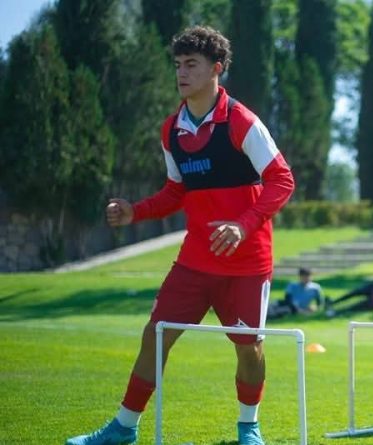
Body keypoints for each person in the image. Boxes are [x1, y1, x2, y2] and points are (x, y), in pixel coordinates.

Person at [66, 26, 294, 445]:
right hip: (194, 262)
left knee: (249, 348)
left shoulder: (243, 122)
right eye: (177, 65)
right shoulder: (170, 129)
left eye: (191, 64)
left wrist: (243, 225)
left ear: (216, 69)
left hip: (247, 264)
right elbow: (176, 192)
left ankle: (249, 428)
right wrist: (136, 211)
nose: (182, 73)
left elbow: (282, 180)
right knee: (156, 335)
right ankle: (124, 428)